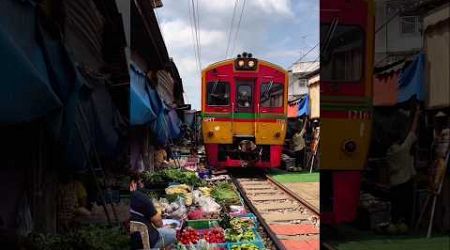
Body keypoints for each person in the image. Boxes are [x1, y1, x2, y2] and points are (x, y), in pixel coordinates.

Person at [385, 103, 421, 234]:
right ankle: (405, 225)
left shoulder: (389, 153)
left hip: (394, 183)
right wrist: (416, 115)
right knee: (406, 205)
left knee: (395, 207)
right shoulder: (402, 150)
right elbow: (412, 132)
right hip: (405, 182)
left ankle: (394, 224)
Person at [130, 175, 177, 249]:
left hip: (134, 239)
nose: (142, 185)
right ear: (133, 183)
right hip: (145, 241)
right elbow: (158, 222)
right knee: (173, 233)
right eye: (140, 182)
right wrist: (164, 226)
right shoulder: (140, 197)